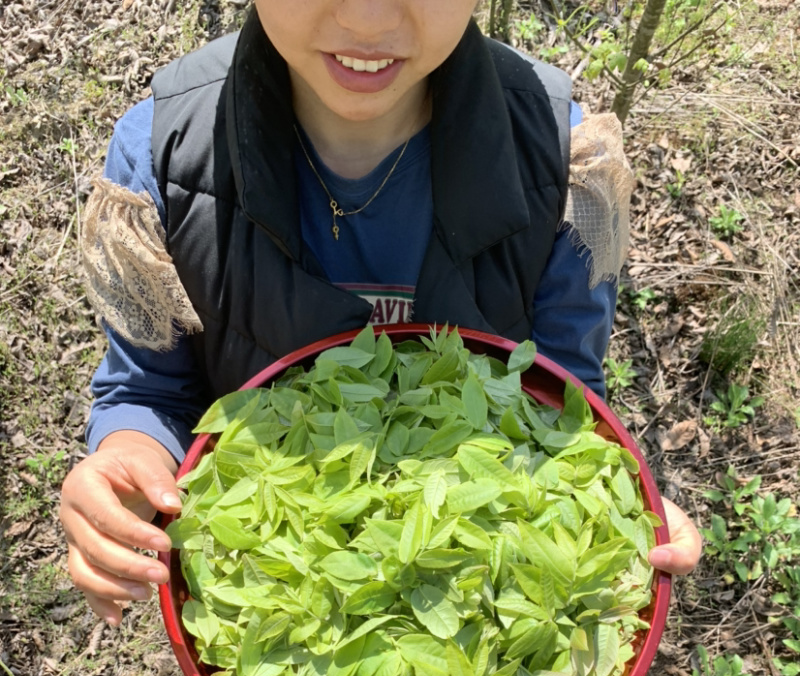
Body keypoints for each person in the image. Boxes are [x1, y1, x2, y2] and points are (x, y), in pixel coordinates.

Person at [60, 0, 702, 627]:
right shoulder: (160, 160)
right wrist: (127, 461)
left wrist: (611, 506)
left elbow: (564, 404)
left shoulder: (566, 166)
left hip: (471, 606)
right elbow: (150, 390)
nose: (368, 20)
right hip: (284, 612)